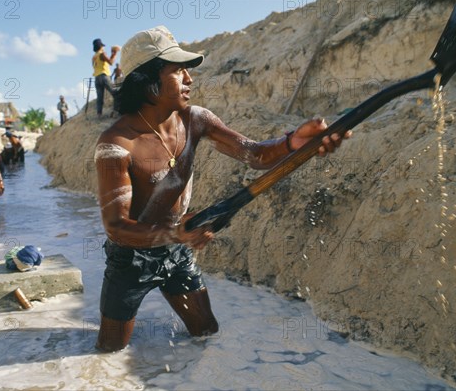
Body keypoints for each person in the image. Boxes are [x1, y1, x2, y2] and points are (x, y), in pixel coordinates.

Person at [93, 26, 352, 352]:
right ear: (147, 82)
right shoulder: (116, 145)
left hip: (176, 249)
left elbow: (255, 154)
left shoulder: (195, 120)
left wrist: (294, 142)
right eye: (178, 71)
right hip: (130, 260)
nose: (190, 79)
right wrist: (177, 234)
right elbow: (116, 228)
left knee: (206, 335)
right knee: (108, 354)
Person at [92, 38, 119, 117]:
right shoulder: (102, 54)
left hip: (97, 78)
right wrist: (115, 53)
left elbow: (104, 61)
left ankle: (99, 114)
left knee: (100, 98)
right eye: (102, 46)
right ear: (100, 46)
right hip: (104, 76)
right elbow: (111, 62)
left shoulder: (94, 57)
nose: (103, 47)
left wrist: (112, 54)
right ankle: (116, 111)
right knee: (115, 93)